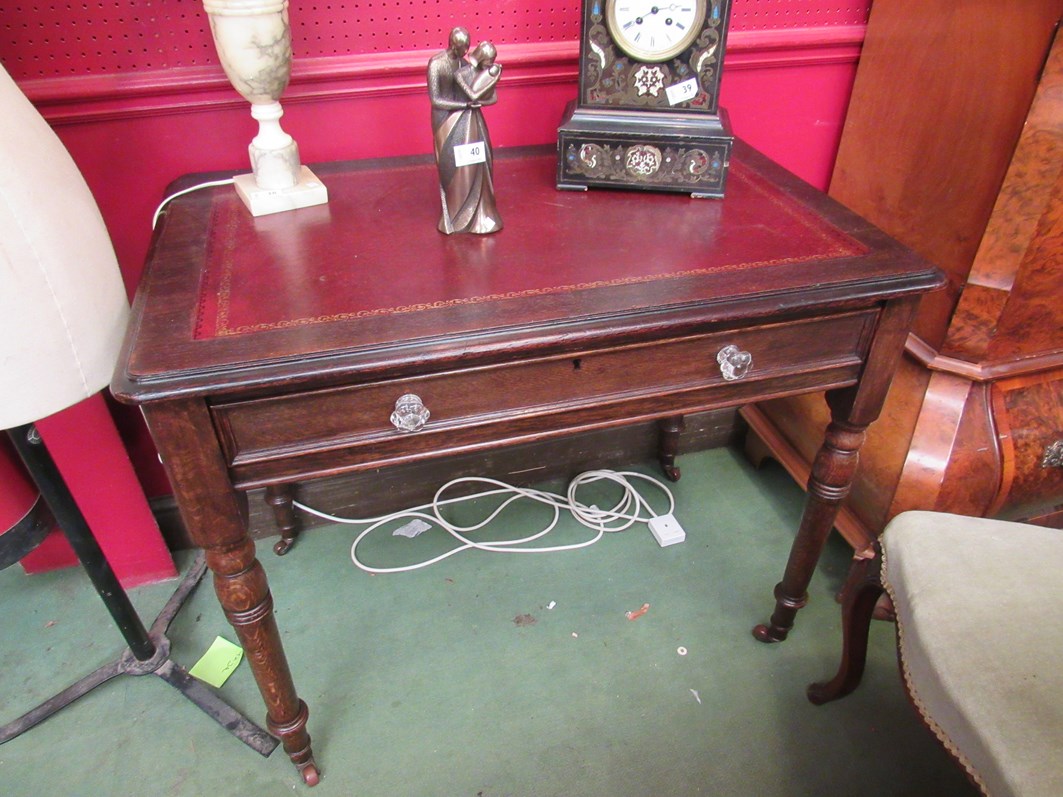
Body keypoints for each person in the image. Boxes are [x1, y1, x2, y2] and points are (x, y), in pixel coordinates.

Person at [427, 31, 503, 234]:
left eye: (468, 47)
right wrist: (464, 104)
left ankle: (476, 210)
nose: (466, 51)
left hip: (466, 116)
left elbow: (482, 91)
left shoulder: (464, 64)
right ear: (453, 45)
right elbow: (435, 100)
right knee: (451, 163)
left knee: (474, 159)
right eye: (463, 47)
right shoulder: (436, 64)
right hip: (445, 119)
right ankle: (454, 214)